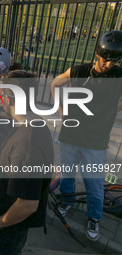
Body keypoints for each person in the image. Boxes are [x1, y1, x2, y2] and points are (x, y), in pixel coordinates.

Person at [51, 30, 122, 241]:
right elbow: (55, 83)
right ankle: (67, 201)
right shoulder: (79, 71)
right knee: (67, 174)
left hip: (96, 142)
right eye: (107, 60)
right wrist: (60, 109)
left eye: (115, 60)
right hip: (70, 137)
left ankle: (94, 217)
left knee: (93, 182)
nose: (110, 64)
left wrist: (114, 109)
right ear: (98, 55)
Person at [0, 70, 54, 255]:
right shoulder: (31, 123)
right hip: (6, 220)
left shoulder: (27, 142)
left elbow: (28, 204)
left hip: (6, 230)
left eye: (1, 94)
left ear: (10, 99)